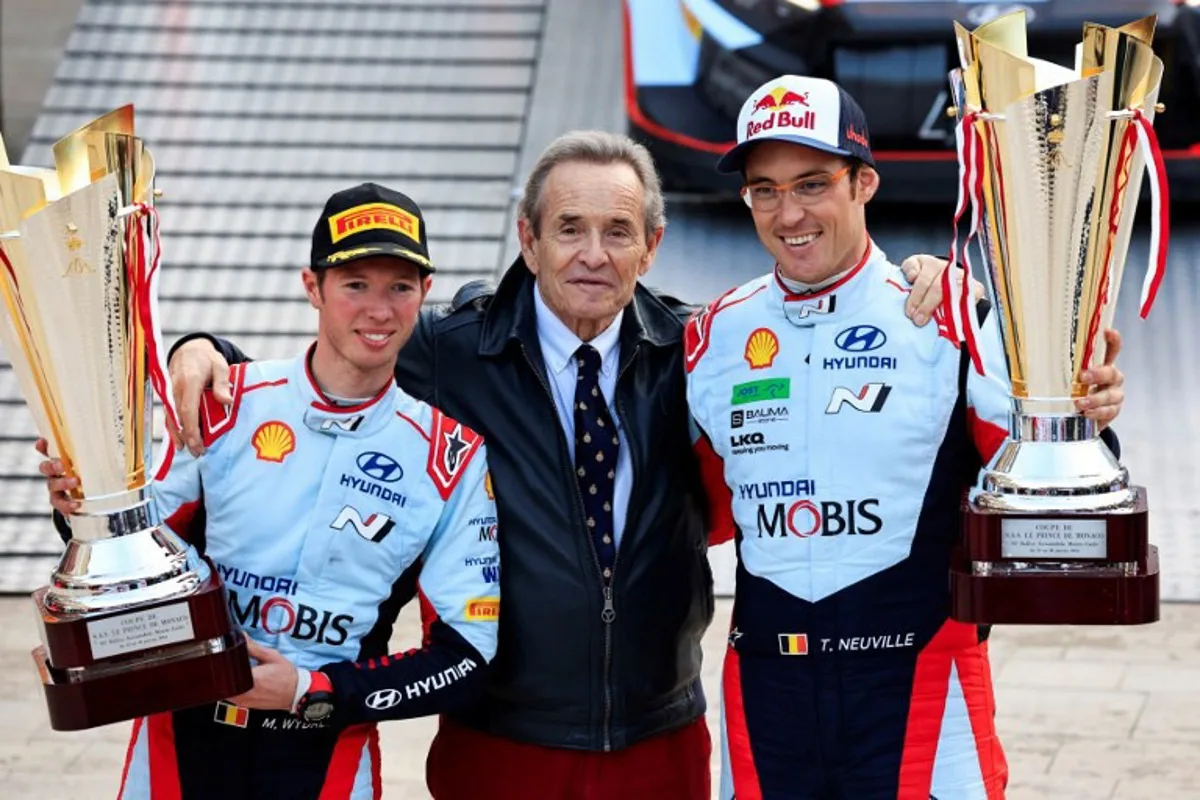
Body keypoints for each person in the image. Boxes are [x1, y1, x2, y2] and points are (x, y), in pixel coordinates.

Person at [162, 132, 958, 799]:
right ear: (527, 239)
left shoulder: (701, 348)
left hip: (659, 739)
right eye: (569, 227)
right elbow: (332, 361)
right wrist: (205, 352)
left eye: (618, 231)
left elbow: (820, 336)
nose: (591, 255)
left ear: (652, 245)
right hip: (502, 739)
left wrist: (919, 282)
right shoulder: (449, 351)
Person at [685, 75, 1128, 800]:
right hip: (766, 692)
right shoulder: (712, 336)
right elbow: (689, 517)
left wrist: (1082, 407)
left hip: (923, 689)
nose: (787, 212)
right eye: (764, 189)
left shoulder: (950, 316)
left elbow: (1060, 491)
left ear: (864, 183)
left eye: (812, 183)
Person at [41, 183, 499, 799]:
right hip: (180, 740)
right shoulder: (226, 403)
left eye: (400, 286)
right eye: (355, 283)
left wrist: (315, 692)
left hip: (323, 751)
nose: (379, 310)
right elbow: (135, 550)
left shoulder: (451, 458)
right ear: (312, 287)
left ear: (425, 293)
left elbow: (468, 656)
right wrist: (82, 506)